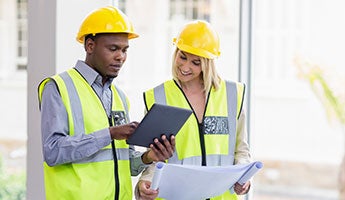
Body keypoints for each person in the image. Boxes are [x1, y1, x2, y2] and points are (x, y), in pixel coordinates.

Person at [37, 6, 175, 200]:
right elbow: (53, 151)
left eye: (125, 50)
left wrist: (148, 157)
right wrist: (109, 134)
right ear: (90, 46)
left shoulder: (119, 96)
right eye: (113, 49)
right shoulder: (58, 87)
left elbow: (125, 164)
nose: (121, 57)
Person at [136, 20, 252, 200]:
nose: (185, 67)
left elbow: (241, 150)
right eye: (182, 57)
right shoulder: (157, 97)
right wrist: (145, 182)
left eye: (196, 62)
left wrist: (244, 179)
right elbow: (154, 156)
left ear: (208, 63)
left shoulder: (232, 95)